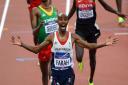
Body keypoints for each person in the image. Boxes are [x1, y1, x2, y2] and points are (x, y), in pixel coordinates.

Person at [11, 13, 117, 85]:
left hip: (68, 74)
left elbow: (89, 46)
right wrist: (21, 44)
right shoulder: (52, 37)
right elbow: (37, 49)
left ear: (67, 22)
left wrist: (104, 43)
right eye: (60, 19)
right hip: (55, 74)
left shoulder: (73, 37)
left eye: (65, 19)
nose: (62, 21)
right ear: (57, 21)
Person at [68, 0, 126, 85]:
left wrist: (117, 12)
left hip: (92, 31)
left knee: (92, 58)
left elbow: (105, 6)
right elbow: (73, 8)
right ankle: (80, 62)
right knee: (79, 57)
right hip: (80, 31)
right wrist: (66, 19)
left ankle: (91, 79)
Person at [26, 0, 58, 85]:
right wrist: (39, 26)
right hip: (43, 45)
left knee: (52, 71)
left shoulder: (55, 10)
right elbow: (34, 32)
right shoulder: (35, 10)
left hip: (54, 45)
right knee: (44, 74)